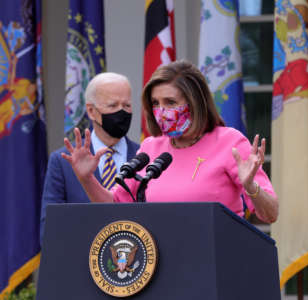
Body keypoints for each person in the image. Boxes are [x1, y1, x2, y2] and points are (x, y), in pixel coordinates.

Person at [62, 61, 278, 223]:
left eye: (170, 102)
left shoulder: (229, 142)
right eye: (155, 103)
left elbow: (270, 214)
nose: (162, 111)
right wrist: (87, 178)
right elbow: (115, 207)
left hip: (216, 263)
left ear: (195, 103)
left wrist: (251, 186)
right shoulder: (150, 147)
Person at [40, 72, 140, 243]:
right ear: (91, 111)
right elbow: (50, 229)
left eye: (127, 105)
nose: (121, 112)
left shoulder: (144, 157)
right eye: (113, 105)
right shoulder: (62, 161)